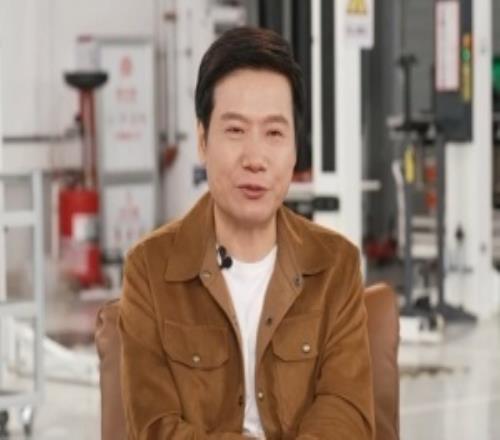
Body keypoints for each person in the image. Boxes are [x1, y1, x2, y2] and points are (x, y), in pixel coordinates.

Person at [119, 26, 375, 440]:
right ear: (202, 140)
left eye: (274, 133)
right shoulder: (148, 269)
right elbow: (154, 427)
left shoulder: (336, 265)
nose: (255, 158)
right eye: (235, 130)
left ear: (295, 148)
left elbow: (346, 411)